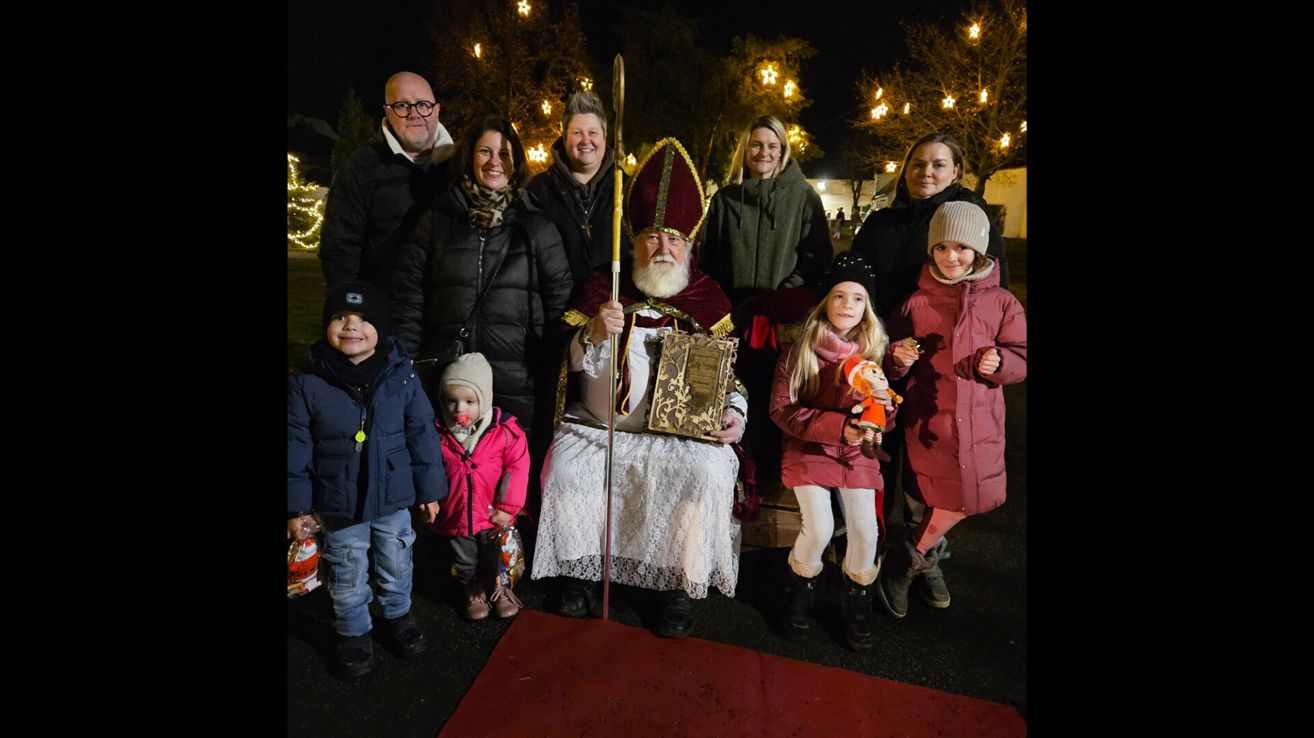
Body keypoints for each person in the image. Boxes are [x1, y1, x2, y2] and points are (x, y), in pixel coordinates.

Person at [532, 138, 746, 639]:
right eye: (653, 238)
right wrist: (592, 332)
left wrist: (735, 414)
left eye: (674, 239)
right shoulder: (601, 290)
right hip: (599, 425)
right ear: (634, 244)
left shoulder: (707, 299)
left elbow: (731, 376)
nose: (663, 249)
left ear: (689, 247)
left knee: (705, 474)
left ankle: (676, 583)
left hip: (680, 434)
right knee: (568, 465)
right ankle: (580, 571)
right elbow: (562, 367)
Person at [847, 131, 1011, 569]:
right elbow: (854, 283)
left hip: (941, 370)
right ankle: (868, 552)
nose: (927, 172)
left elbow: (993, 296)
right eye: (918, 163)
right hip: (883, 358)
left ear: (956, 171)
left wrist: (990, 358)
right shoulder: (882, 223)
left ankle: (923, 558)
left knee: (929, 476)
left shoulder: (970, 220)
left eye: (938, 164)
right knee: (876, 455)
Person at [287, 281, 448, 679]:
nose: (350, 327)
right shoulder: (307, 384)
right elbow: (295, 447)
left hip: (393, 498)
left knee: (396, 560)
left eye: (362, 319)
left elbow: (422, 433)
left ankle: (397, 614)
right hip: (338, 503)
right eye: (340, 317)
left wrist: (429, 492)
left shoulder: (402, 376)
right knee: (346, 569)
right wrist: (297, 507)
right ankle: (353, 630)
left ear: (381, 327)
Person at [879, 201, 1027, 619]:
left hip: (980, 427)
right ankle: (926, 563)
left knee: (965, 498)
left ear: (979, 251)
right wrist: (897, 359)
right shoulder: (915, 303)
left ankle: (908, 561)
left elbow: (1022, 355)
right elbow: (888, 360)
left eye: (961, 247)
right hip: (929, 424)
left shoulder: (1001, 303)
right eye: (941, 248)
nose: (950, 257)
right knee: (924, 501)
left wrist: (1003, 362)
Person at [391, 115, 573, 441]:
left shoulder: (537, 227)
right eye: (485, 151)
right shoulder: (437, 221)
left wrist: (547, 372)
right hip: (448, 384)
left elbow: (561, 303)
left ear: (516, 162)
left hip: (517, 386)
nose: (495, 162)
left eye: (504, 154)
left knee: (511, 483)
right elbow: (409, 298)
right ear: (469, 157)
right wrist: (407, 367)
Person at [769, 252, 906, 651]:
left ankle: (857, 600)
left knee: (866, 531)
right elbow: (781, 408)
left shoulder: (874, 353)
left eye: (858, 298)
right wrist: (837, 427)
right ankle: (799, 590)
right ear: (825, 301)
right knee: (821, 527)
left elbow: (886, 419)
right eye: (839, 296)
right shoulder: (801, 350)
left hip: (857, 451)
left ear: (868, 307)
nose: (848, 306)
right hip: (810, 445)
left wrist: (881, 412)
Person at [319, 71, 457, 294]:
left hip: (445, 316)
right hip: (384, 313)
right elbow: (339, 247)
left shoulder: (461, 166)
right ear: (387, 112)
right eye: (403, 105)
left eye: (423, 104)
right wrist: (354, 309)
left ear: (437, 110)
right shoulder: (360, 167)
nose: (415, 114)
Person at [428, 352, 529, 621]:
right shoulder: (435, 432)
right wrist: (430, 497)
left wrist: (508, 507)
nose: (459, 409)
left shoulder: (504, 431)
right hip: (457, 514)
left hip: (493, 513)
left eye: (469, 401)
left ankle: (501, 588)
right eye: (452, 401)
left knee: (497, 556)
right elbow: (427, 467)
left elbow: (517, 467)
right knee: (464, 560)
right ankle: (472, 590)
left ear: (483, 400)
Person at [698, 114, 831, 307]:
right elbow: (708, 261)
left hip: (782, 314)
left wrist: (784, 296)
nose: (763, 152)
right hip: (730, 314)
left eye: (772, 146)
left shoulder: (804, 197)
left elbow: (817, 258)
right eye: (756, 145)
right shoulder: (724, 199)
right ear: (745, 149)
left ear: (781, 151)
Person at [522, 91, 624, 290]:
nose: (586, 141)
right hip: (555, 313)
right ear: (565, 137)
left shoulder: (626, 189)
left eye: (593, 132)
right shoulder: (539, 191)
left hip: (613, 311)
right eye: (577, 133)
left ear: (604, 136)